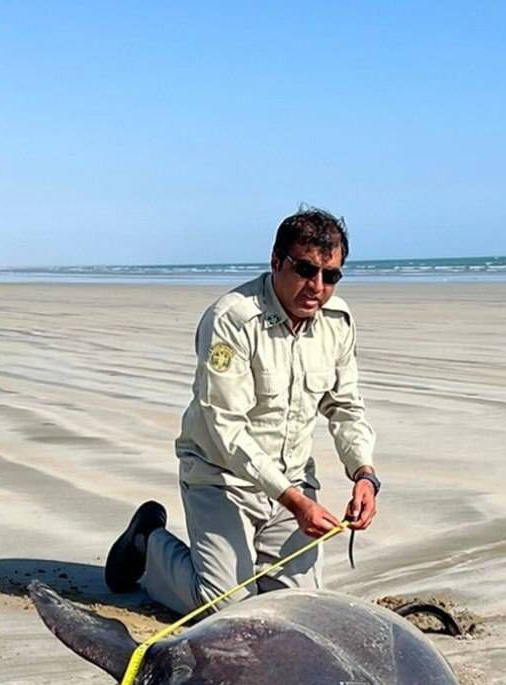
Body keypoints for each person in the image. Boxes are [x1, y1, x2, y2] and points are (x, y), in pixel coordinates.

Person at [104, 207, 379, 613]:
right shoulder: (231, 320)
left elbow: (345, 406)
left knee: (297, 608)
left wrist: (364, 474)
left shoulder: (337, 322)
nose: (317, 287)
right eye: (305, 269)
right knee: (226, 609)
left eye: (331, 275)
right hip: (221, 477)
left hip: (293, 479)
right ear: (276, 261)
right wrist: (295, 502)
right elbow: (226, 428)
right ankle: (148, 543)